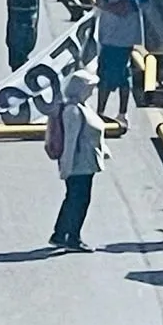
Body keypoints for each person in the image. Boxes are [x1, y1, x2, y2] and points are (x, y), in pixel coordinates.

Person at [49, 69, 106, 251]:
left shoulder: (82, 106)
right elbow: (71, 142)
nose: (91, 91)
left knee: (73, 199)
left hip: (86, 163)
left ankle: (60, 234)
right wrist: (66, 168)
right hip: (79, 165)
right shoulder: (73, 111)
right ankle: (72, 237)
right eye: (89, 88)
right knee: (79, 201)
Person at [94, 0, 147, 118]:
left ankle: (102, 111)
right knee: (123, 74)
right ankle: (121, 113)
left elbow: (124, 9)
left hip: (116, 37)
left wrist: (103, 5)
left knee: (107, 75)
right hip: (121, 37)